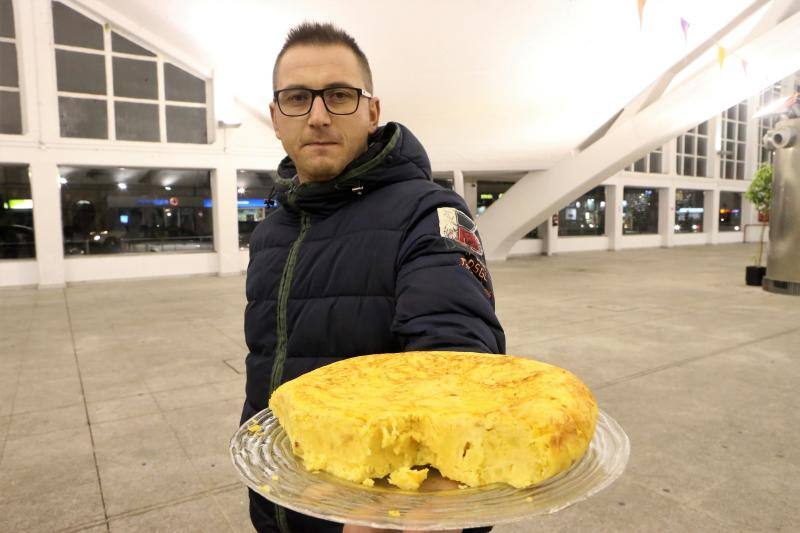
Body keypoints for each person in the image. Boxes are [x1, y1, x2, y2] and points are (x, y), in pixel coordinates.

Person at [241, 22, 505, 533]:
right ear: (275, 118)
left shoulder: (429, 215)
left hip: (374, 518)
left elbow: (457, 364)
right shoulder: (273, 229)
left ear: (372, 111)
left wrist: (404, 511)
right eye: (297, 98)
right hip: (278, 506)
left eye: (339, 96)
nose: (317, 116)